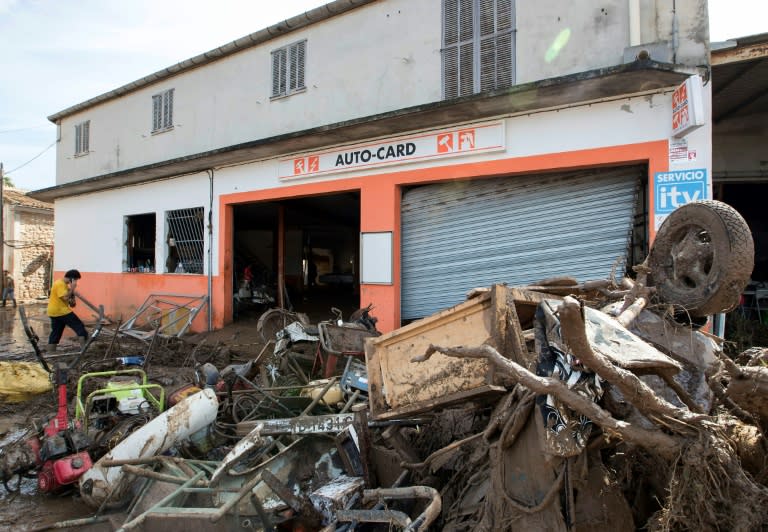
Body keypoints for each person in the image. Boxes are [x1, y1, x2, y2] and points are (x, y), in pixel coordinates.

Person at [47, 269, 88, 351]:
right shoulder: (60, 284)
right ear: (71, 279)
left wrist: (71, 294)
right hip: (61, 311)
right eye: (76, 280)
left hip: (54, 312)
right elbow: (65, 297)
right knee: (80, 328)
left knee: (56, 333)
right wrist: (72, 288)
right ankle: (84, 350)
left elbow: (70, 302)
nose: (76, 282)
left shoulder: (62, 284)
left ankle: (50, 353)